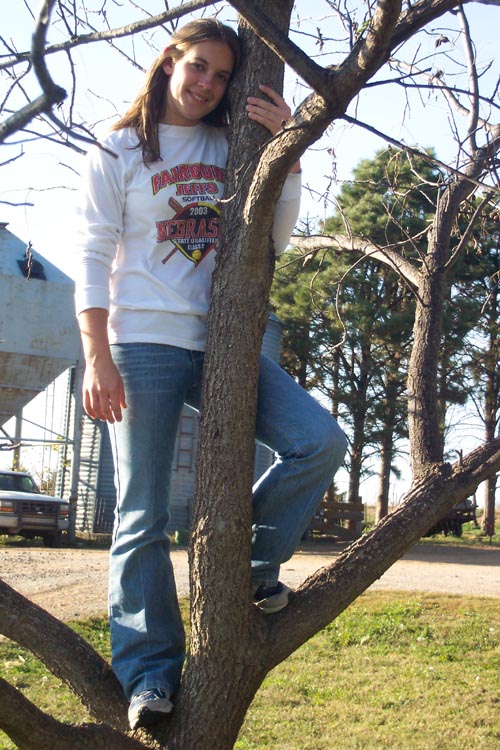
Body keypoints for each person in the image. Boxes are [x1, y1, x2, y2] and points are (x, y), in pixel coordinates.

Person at [75, 17, 347, 731]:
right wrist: (96, 355)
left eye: (222, 76)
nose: (207, 84)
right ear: (171, 60)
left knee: (319, 441)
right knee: (142, 513)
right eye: (198, 66)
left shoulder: (231, 144)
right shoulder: (118, 146)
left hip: (223, 343)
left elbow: (273, 240)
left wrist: (289, 157)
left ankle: (247, 569)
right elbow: (92, 254)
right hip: (141, 343)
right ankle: (149, 676)